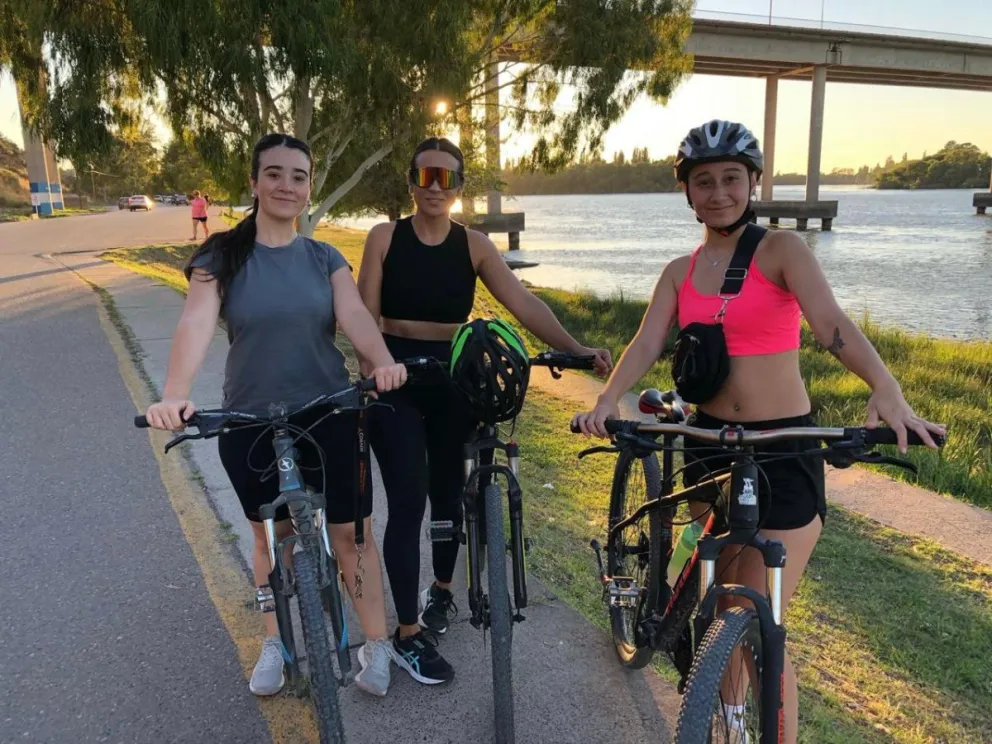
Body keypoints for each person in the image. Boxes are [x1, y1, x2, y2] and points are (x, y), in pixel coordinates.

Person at [572, 120, 945, 743]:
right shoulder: (677, 271)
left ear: (752, 183)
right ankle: (721, 707)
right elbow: (646, 343)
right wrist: (608, 400)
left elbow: (831, 325)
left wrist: (887, 388)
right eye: (703, 182)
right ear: (688, 193)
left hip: (783, 447)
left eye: (730, 179)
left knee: (754, 610)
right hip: (709, 443)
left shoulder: (782, 252)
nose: (718, 192)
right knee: (724, 604)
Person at [143, 133, 408, 698]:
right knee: (270, 536)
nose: (287, 185)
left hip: (329, 409)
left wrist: (381, 362)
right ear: (255, 182)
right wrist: (174, 392)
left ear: (309, 186)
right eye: (275, 174)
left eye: (299, 176)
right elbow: (194, 322)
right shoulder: (221, 256)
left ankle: (377, 644)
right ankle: (274, 641)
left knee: (351, 535)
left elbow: (356, 316)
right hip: (249, 418)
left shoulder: (324, 257)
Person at [356, 136, 614, 684]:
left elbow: (522, 303)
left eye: (446, 178)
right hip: (395, 378)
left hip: (456, 379)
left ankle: (442, 593)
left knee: (448, 493)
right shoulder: (383, 238)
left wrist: (577, 348)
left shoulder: (474, 246)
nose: (435, 187)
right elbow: (364, 317)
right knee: (407, 502)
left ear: (459, 188)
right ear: (411, 181)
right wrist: (373, 370)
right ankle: (406, 635)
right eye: (426, 176)